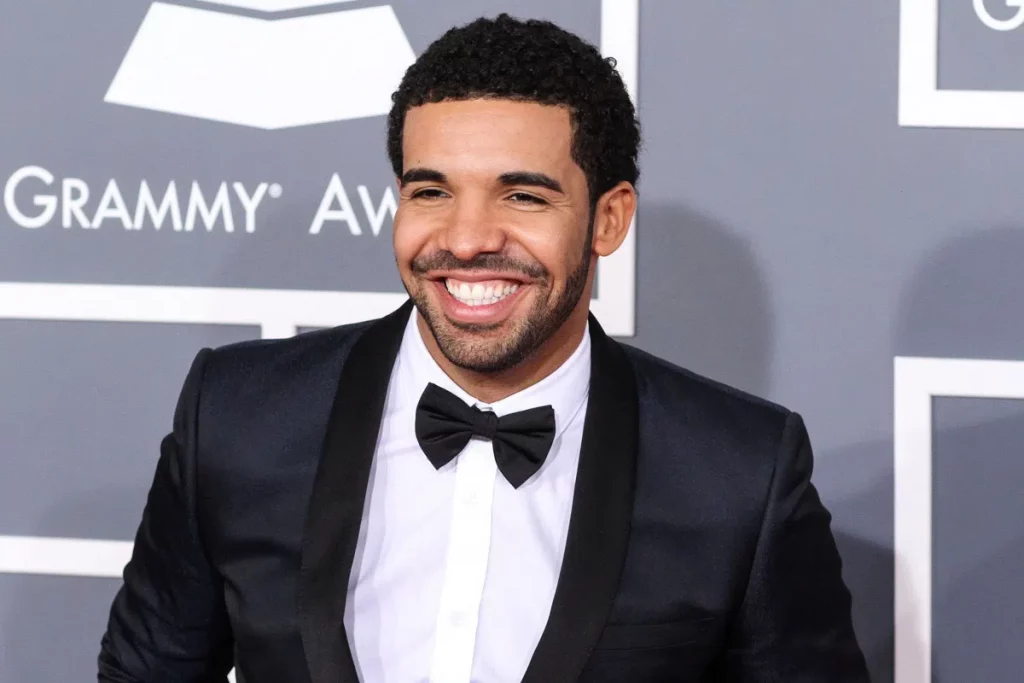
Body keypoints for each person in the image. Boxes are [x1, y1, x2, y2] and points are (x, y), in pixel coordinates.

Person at [98, 13, 870, 683]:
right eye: (431, 191)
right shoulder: (238, 417)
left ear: (608, 219)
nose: (467, 239)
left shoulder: (738, 473)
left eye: (522, 195)